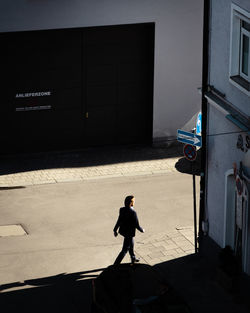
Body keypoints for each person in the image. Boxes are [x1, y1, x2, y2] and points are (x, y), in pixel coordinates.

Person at [113, 195, 145, 265]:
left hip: (124, 232)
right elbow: (136, 224)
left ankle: (133, 258)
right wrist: (142, 230)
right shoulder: (133, 213)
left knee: (131, 245)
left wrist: (115, 230)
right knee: (125, 250)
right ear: (131, 202)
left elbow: (119, 220)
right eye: (134, 201)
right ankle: (115, 265)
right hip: (129, 233)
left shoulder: (122, 209)